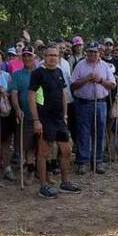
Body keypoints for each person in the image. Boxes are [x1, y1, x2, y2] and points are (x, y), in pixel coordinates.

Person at [28, 47, 81, 197]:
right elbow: (31, 96)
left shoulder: (59, 72)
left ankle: (65, 183)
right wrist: (36, 120)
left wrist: (65, 114)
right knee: (43, 152)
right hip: (44, 118)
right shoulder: (38, 73)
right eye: (50, 55)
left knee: (66, 150)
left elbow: (63, 94)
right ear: (44, 56)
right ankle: (43, 186)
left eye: (55, 55)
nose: (53, 58)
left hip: (59, 119)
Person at [71, 42, 115, 175]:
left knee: (99, 132)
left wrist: (101, 81)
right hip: (83, 103)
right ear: (86, 52)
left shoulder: (105, 66)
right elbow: (73, 85)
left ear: (99, 53)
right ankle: (82, 162)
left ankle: (98, 161)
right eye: (90, 52)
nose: (92, 54)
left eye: (95, 52)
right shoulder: (80, 65)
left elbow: (112, 85)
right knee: (83, 132)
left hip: (100, 103)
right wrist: (87, 78)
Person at [8, 46, 37, 180]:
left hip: (41, 113)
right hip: (25, 114)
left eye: (29, 55)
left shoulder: (40, 72)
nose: (27, 58)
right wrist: (17, 109)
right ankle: (30, 169)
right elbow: (14, 93)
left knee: (42, 143)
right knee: (27, 144)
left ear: (34, 57)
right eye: (24, 55)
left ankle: (43, 170)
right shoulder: (17, 74)